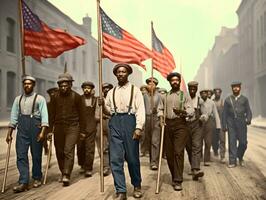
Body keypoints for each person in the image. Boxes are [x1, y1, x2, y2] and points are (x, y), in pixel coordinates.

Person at [101, 63, 145, 199]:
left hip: (130, 122)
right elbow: (108, 112)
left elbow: (140, 110)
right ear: (115, 74)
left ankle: (137, 185)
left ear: (128, 74)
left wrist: (138, 127)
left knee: (132, 158)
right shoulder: (111, 92)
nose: (120, 74)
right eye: (118, 72)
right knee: (115, 159)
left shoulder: (135, 90)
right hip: (114, 123)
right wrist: (102, 105)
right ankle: (121, 190)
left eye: (123, 72)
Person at [6, 75, 48, 193]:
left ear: (33, 85)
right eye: (25, 84)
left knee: (36, 155)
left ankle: (37, 177)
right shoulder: (17, 99)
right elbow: (14, 117)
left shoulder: (40, 99)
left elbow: (44, 117)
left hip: (35, 128)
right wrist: (9, 133)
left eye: (29, 84)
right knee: (21, 155)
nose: (27, 86)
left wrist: (42, 132)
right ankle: (23, 181)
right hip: (22, 129)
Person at [48, 72, 86, 186]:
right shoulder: (54, 97)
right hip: (59, 127)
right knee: (59, 152)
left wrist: (83, 131)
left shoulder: (77, 97)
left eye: (66, 85)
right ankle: (62, 171)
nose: (63, 88)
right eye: (61, 86)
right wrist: (50, 130)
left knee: (68, 150)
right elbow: (51, 115)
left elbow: (82, 115)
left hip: (73, 127)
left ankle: (66, 174)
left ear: (70, 85)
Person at [158, 72, 194, 191]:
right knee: (169, 154)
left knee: (178, 151)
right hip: (168, 125)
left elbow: (190, 109)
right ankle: (174, 176)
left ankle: (178, 180)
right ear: (169, 82)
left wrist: (183, 112)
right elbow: (160, 108)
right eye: (172, 80)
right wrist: (161, 117)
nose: (175, 82)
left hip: (181, 125)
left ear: (179, 82)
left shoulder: (184, 95)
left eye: (177, 80)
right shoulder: (165, 95)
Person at [222, 81, 252, 168]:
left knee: (243, 143)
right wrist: (224, 125)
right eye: (234, 87)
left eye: (237, 87)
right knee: (232, 142)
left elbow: (248, 111)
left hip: (242, 123)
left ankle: (240, 156)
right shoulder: (228, 100)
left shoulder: (244, 99)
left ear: (240, 88)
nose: (235, 88)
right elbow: (224, 114)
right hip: (231, 123)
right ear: (232, 88)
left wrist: (248, 119)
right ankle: (232, 161)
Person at [77, 81, 97, 177]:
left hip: (91, 126)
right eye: (85, 88)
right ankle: (82, 165)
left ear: (91, 89)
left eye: (88, 88)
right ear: (82, 89)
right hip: (80, 127)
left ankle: (88, 168)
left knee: (90, 148)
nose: (86, 90)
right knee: (80, 147)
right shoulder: (79, 99)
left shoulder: (95, 100)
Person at [185, 81, 204, 181]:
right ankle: (193, 166)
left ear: (196, 89)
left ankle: (196, 169)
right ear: (188, 89)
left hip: (197, 126)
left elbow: (204, 113)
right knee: (188, 147)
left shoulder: (200, 100)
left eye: (194, 88)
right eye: (190, 88)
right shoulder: (184, 99)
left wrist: (203, 117)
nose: (192, 90)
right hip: (186, 126)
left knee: (196, 146)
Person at [95, 82, 113, 176]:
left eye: (108, 88)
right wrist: (102, 116)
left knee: (113, 146)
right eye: (104, 88)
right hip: (100, 124)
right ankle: (105, 166)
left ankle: (113, 164)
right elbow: (96, 115)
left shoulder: (114, 99)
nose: (106, 90)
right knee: (102, 147)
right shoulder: (98, 100)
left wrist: (107, 115)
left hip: (112, 124)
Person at [143, 77, 161, 170]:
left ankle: (154, 162)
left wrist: (157, 111)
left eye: (153, 84)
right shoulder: (144, 95)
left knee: (155, 141)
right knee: (149, 140)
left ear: (156, 85)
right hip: (147, 118)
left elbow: (162, 107)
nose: (151, 85)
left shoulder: (159, 96)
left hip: (156, 118)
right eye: (149, 84)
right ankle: (152, 160)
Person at [199, 89, 221, 166]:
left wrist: (218, 125)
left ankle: (206, 159)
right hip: (200, 123)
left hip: (209, 123)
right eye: (202, 93)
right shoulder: (199, 102)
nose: (204, 95)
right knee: (199, 142)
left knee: (208, 142)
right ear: (200, 94)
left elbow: (215, 113)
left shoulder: (211, 103)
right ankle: (199, 157)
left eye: (206, 93)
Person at [212, 88, 226, 163]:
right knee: (214, 140)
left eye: (219, 92)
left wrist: (225, 123)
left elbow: (226, 113)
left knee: (222, 140)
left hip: (221, 123)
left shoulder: (223, 102)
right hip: (214, 124)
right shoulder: (212, 102)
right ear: (214, 93)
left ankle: (222, 156)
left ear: (220, 93)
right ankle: (215, 149)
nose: (217, 94)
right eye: (216, 92)